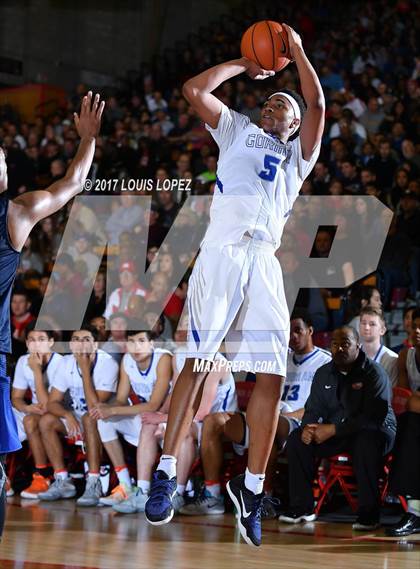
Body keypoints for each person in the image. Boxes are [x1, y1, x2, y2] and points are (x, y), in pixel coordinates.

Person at [144, 23, 325, 548]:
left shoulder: (297, 159)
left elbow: (315, 103)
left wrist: (299, 54)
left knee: (270, 374)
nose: (271, 110)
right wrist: (249, 66)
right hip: (221, 254)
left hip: (263, 262)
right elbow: (195, 91)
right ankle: (166, 473)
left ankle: (251, 488)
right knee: (197, 365)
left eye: (280, 110)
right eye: (268, 104)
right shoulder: (236, 129)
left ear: (293, 128)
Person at [0, 91, 104, 539]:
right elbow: (73, 182)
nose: (4, 163)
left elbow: (71, 184)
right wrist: (88, 140)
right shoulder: (15, 213)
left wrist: (88, 142)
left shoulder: (15, 213)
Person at [179, 309, 331, 516]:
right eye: (289, 331)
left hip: (299, 423)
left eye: (298, 330)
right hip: (268, 419)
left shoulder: (325, 362)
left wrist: (280, 416)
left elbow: (322, 406)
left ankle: (263, 499)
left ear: (310, 331)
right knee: (213, 421)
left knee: (269, 424)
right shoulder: (278, 358)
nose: (293, 336)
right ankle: (213, 495)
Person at [279, 326, 396, 530]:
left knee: (365, 442)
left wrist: (332, 430)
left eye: (346, 343)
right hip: (337, 430)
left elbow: (371, 417)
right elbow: (312, 408)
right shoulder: (324, 372)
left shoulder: (374, 373)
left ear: (358, 346)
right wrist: (308, 428)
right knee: (297, 438)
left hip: (376, 431)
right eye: (335, 344)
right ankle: (302, 507)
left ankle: (369, 513)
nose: (340, 348)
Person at [89, 329, 172, 507]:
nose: (136, 346)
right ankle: (125, 484)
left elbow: (154, 406)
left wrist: (114, 410)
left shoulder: (163, 359)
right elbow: (120, 398)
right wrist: (107, 408)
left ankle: (149, 491)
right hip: (145, 419)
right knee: (104, 421)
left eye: (141, 341)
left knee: (141, 422)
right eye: (132, 341)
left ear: (152, 344)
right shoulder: (127, 360)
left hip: (167, 421)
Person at [37, 327, 118, 506]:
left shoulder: (108, 363)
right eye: (76, 339)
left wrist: (85, 370)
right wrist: (67, 414)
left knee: (89, 418)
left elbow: (95, 407)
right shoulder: (65, 362)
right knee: (46, 421)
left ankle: (93, 481)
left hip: (106, 420)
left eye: (86, 339)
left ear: (95, 344)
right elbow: (52, 403)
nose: (80, 343)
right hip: (78, 417)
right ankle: (63, 480)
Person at [11, 324, 62, 499]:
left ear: (51, 342)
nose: (36, 344)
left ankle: (43, 475)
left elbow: (49, 405)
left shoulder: (60, 362)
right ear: (26, 343)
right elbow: (16, 397)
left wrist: (37, 372)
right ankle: (11, 478)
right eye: (32, 340)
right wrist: (26, 407)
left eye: (41, 340)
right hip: (35, 410)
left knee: (33, 421)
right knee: (13, 419)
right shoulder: (23, 360)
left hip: (60, 412)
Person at [386, 309, 420, 537]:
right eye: (415, 325)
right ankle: (414, 511)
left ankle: (414, 511)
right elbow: (406, 397)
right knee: (406, 424)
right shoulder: (406, 356)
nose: (417, 330)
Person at [359, 307, 398, 386]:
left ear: (382, 330)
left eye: (372, 324)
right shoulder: (351, 354)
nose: (366, 327)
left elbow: (392, 393)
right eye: (363, 323)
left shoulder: (392, 359)